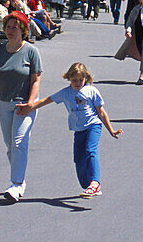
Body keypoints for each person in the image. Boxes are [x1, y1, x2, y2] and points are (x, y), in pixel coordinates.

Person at [17, 62, 122, 199]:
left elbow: (101, 112)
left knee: (91, 150)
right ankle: (88, 185)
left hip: (93, 126)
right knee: (78, 160)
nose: (78, 83)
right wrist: (29, 107)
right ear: (69, 79)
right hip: (78, 130)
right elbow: (46, 100)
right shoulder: (65, 93)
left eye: (80, 80)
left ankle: (95, 183)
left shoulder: (91, 91)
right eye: (74, 80)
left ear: (86, 78)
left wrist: (111, 130)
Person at [0, 12, 43, 203]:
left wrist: (31, 103)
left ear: (23, 30)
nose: (10, 30)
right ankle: (19, 181)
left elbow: (36, 80)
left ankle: (15, 184)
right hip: (4, 104)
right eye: (8, 27)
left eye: (15, 27)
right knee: (10, 146)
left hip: (25, 104)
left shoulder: (31, 51)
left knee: (18, 143)